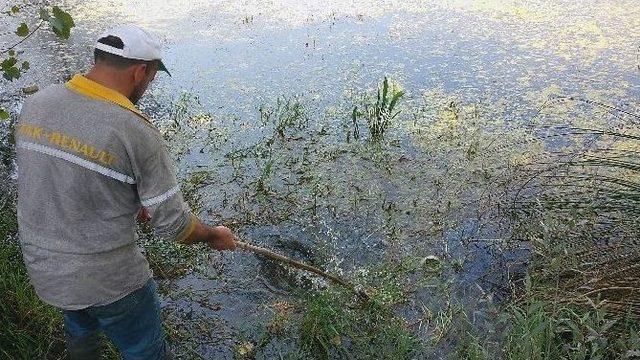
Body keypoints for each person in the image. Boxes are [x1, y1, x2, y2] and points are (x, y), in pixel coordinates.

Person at [15, 24, 236, 359]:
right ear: (140, 72)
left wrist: (129, 201)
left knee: (81, 332)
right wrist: (212, 235)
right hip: (110, 282)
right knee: (143, 350)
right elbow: (173, 225)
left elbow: (57, 180)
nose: (148, 85)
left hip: (46, 272)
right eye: (151, 78)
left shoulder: (36, 104)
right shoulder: (134, 130)